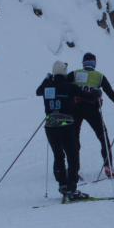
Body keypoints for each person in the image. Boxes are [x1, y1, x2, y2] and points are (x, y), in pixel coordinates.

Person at [69, 52, 114, 176]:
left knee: (74, 139)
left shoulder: (74, 74)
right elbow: (110, 93)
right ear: (94, 63)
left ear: (83, 63)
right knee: (103, 138)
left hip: (75, 109)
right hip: (92, 109)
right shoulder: (99, 76)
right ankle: (108, 167)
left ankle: (73, 170)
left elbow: (63, 86)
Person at [37, 60, 87, 202]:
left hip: (50, 125)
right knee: (73, 155)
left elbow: (38, 92)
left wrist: (46, 79)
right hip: (66, 125)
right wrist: (96, 92)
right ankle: (72, 187)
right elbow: (86, 94)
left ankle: (63, 185)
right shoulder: (69, 86)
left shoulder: (47, 85)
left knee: (58, 156)